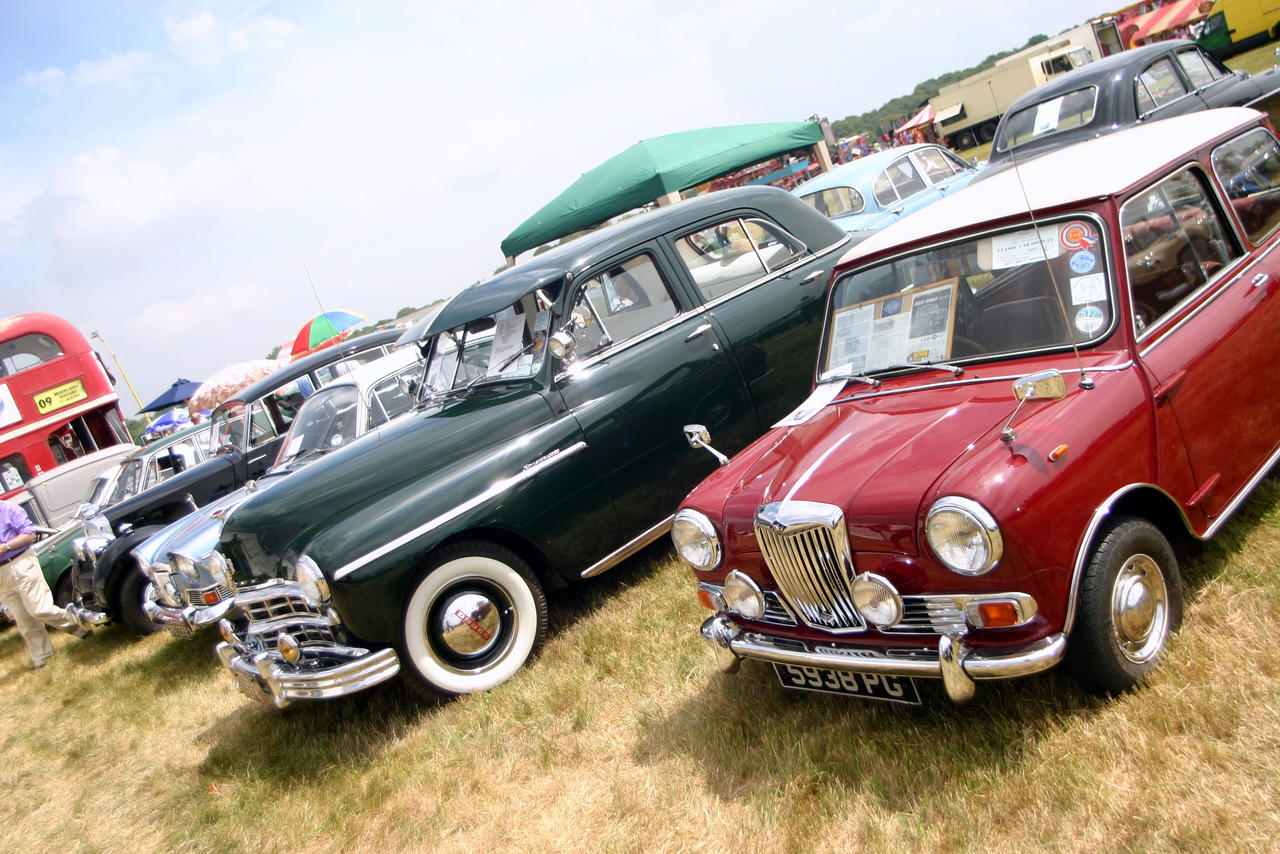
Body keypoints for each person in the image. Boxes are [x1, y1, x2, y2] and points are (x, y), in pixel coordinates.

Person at [0, 498, 89, 669]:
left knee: (40, 610)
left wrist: (6, 547)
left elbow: (29, 534)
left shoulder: (10, 510)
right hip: (2, 576)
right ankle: (43, 657)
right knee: (23, 619)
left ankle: (79, 625)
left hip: (20, 562)